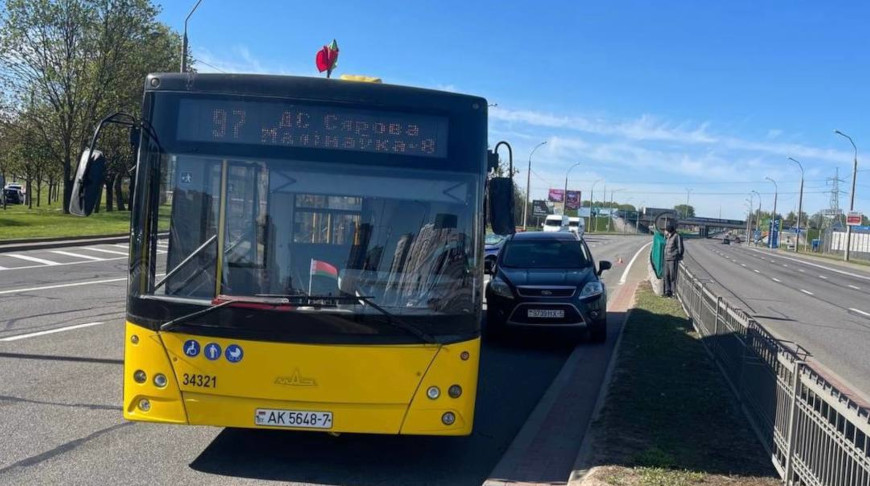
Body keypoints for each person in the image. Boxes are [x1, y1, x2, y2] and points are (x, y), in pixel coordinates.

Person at [663, 222, 684, 297]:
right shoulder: (668, 237)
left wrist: (678, 256)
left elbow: (680, 247)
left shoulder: (676, 236)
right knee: (666, 275)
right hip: (666, 259)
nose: (664, 231)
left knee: (672, 276)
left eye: (665, 230)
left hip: (673, 259)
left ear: (669, 230)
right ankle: (667, 292)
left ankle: (673, 292)